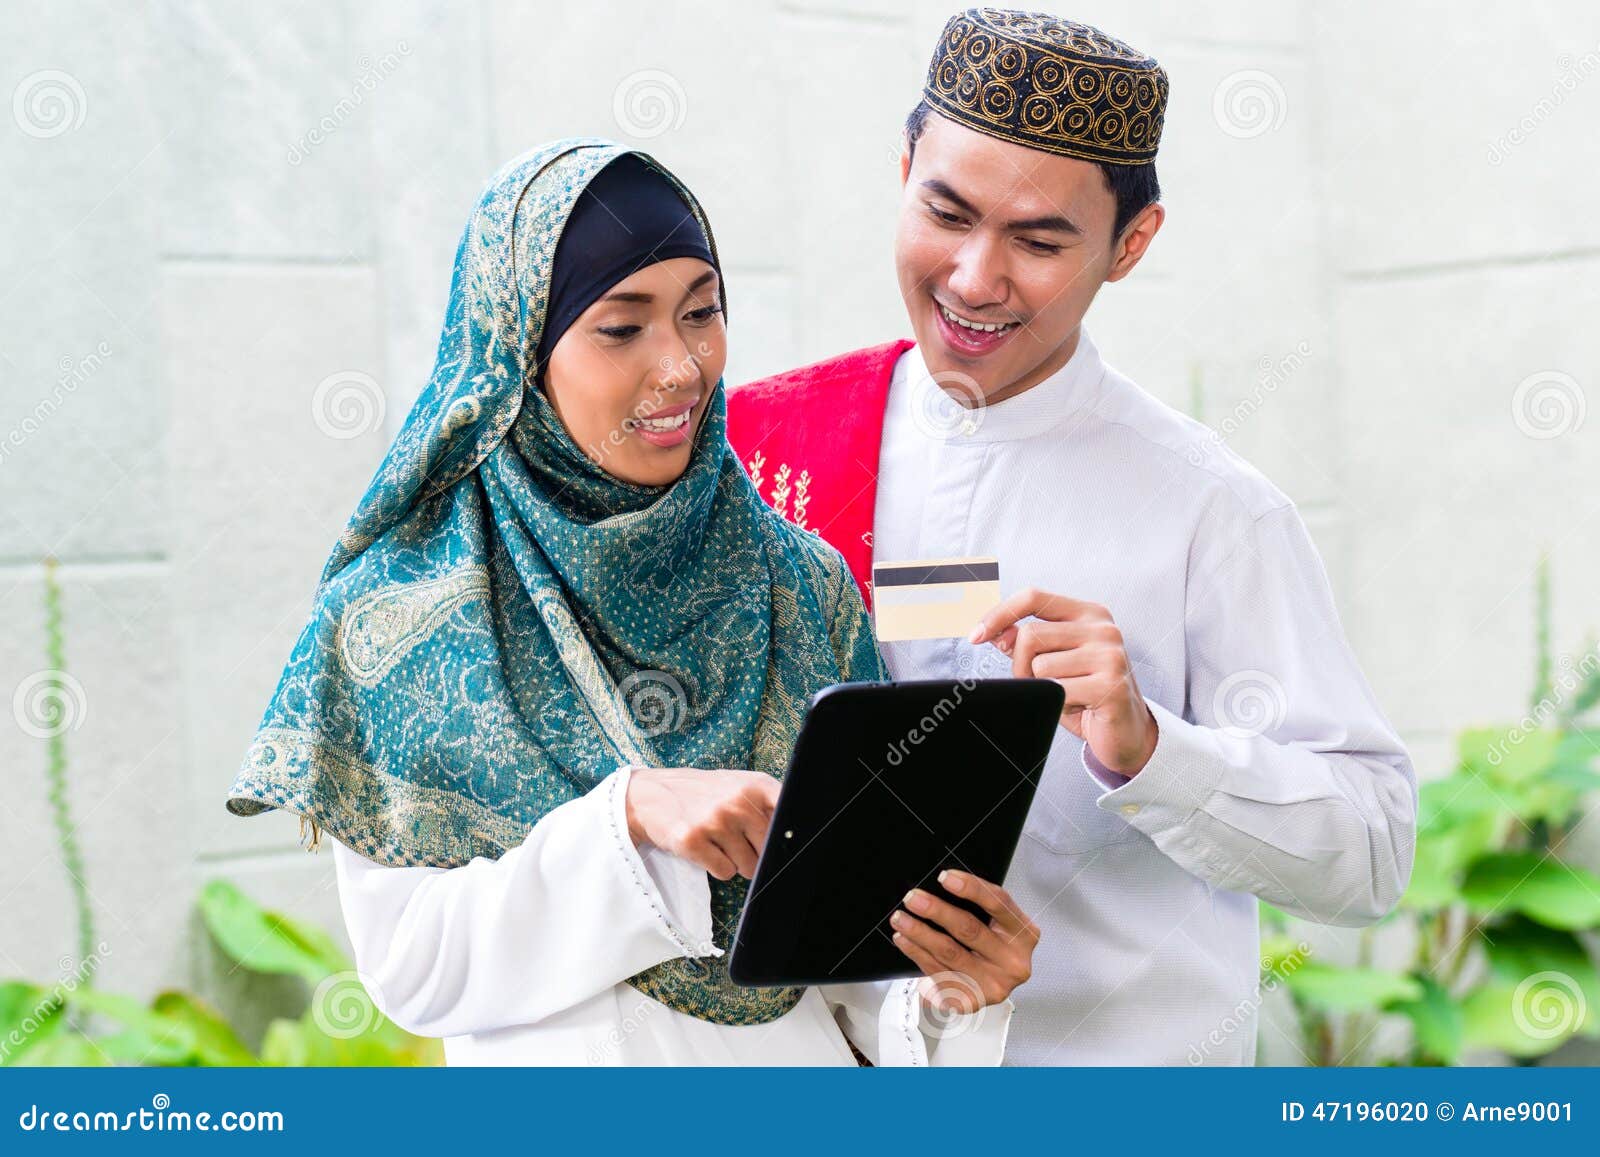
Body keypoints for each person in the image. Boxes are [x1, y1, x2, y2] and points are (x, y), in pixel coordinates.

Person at [225, 140, 1038, 1066]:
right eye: (621, 327)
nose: (683, 368)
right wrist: (630, 821)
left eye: (702, 313)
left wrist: (952, 991)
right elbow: (416, 967)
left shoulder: (799, 586)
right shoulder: (401, 613)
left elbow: (857, 997)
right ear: (520, 349)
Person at [726, 9, 1418, 1065]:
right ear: (903, 165)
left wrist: (1154, 748)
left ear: (1129, 246)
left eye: (1039, 241)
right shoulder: (757, 452)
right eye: (944, 211)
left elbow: (1369, 853)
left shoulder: (1206, 510)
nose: (972, 277)